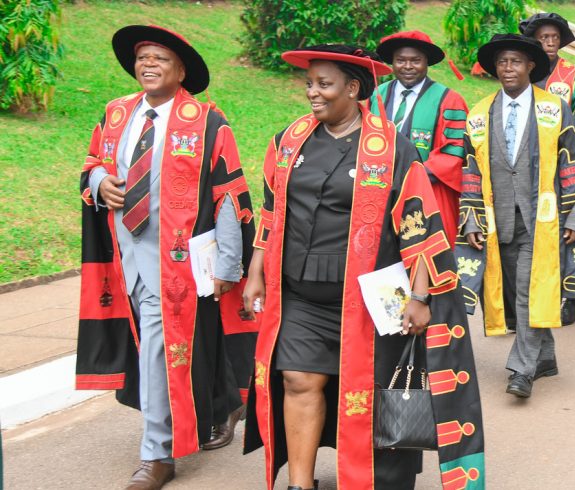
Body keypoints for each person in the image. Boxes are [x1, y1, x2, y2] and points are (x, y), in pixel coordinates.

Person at [241, 44, 485, 489]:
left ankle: (370, 477)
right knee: (297, 379)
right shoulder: (287, 140)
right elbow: (272, 212)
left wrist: (420, 294)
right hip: (299, 293)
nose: (313, 93)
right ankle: (300, 483)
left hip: (369, 299)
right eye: (309, 83)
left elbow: (419, 222)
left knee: (368, 394)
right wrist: (256, 271)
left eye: (324, 84)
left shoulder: (390, 147)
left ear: (353, 89)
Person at [77, 25, 255, 489]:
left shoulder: (207, 121)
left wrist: (228, 264)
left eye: (159, 58)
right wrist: (99, 183)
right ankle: (221, 403)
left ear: (181, 70)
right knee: (169, 351)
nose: (148, 65)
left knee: (159, 353)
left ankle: (157, 455)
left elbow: (229, 194)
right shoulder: (116, 115)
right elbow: (93, 162)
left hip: (176, 264)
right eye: (142, 58)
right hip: (123, 260)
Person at [457, 34, 575, 398]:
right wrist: (471, 217)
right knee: (518, 290)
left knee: (529, 291)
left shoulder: (554, 107)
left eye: (515, 62)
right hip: (497, 217)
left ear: (530, 66)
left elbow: (571, 161)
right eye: (502, 62)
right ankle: (544, 358)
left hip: (542, 218)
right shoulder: (479, 113)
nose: (508, 68)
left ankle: (521, 370)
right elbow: (470, 169)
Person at [519, 12, 575, 326]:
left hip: (565, 168)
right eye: (542, 39)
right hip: (528, 168)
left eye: (554, 38)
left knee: (569, 232)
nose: (549, 43)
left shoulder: (572, 76)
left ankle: (572, 298)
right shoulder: (525, 72)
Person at [371, 31, 469, 249]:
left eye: (415, 60)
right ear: (392, 62)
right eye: (401, 60)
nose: (408, 66)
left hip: (428, 193)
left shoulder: (449, 100)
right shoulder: (376, 95)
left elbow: (455, 148)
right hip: (379, 189)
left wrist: (414, 177)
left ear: (426, 63)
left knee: (425, 255)